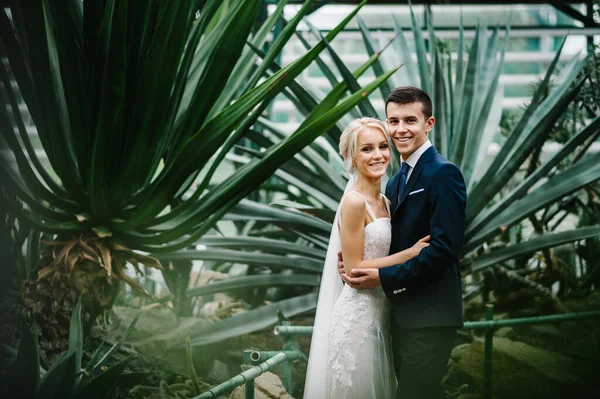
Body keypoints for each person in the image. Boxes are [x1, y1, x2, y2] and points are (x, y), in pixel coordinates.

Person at [340, 86, 467, 399]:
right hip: (397, 316)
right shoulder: (395, 182)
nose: (400, 129)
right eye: (393, 121)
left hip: (430, 314)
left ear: (429, 123)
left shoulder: (443, 174)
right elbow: (389, 243)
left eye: (410, 120)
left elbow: (443, 249)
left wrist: (381, 277)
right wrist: (358, 261)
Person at [303, 117, 430, 399]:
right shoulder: (354, 201)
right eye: (367, 149)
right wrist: (408, 255)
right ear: (352, 157)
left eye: (383, 146)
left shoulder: (385, 201)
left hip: (383, 317)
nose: (378, 155)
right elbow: (354, 267)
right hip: (357, 321)